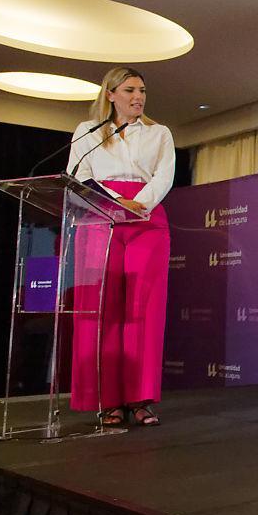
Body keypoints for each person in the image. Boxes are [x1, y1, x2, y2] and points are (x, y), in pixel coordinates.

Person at [68, 67, 175, 427]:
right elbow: (79, 176)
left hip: (147, 219)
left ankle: (140, 399)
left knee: (143, 310)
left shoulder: (159, 132)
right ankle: (107, 400)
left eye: (142, 90)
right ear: (110, 94)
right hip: (100, 216)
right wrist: (116, 201)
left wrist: (138, 203)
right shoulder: (89, 132)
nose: (138, 97)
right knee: (103, 310)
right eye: (129, 90)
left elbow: (164, 175)